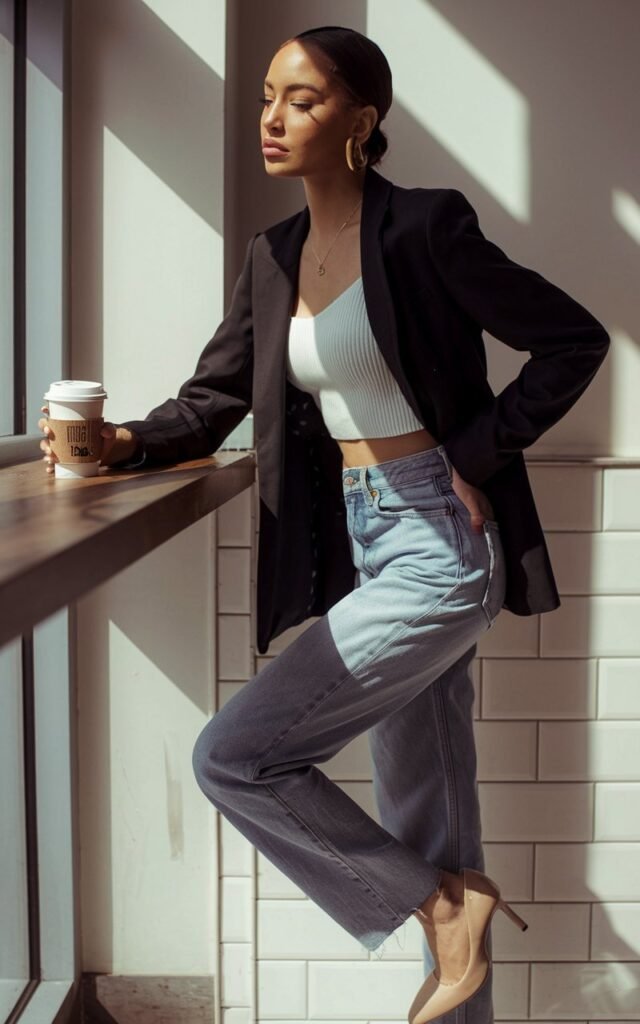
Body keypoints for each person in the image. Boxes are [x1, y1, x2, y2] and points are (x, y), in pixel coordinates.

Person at [39, 25, 610, 1024]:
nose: (271, 115)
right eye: (268, 94)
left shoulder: (425, 228)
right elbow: (207, 404)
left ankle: (439, 905)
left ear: (362, 118)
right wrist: (117, 440)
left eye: (301, 98)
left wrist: (477, 450)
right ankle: (448, 906)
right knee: (432, 822)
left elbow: (574, 339)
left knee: (234, 757)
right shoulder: (273, 256)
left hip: (438, 543)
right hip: (364, 542)